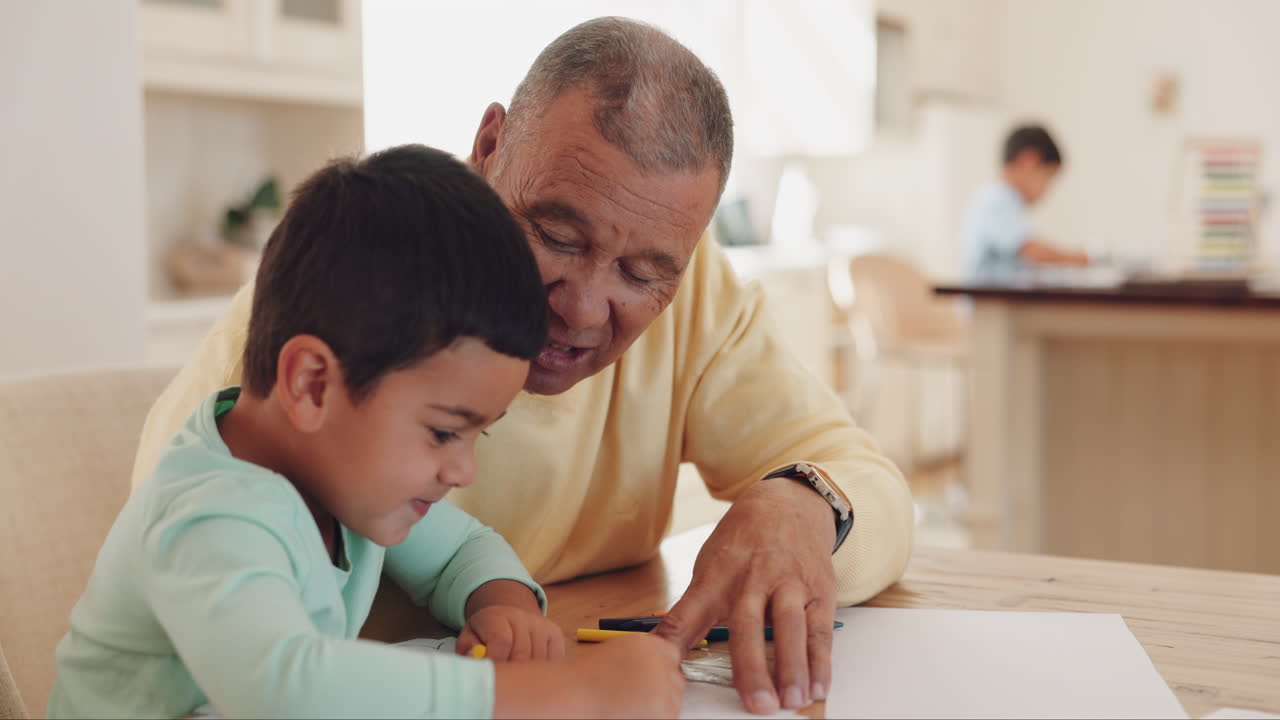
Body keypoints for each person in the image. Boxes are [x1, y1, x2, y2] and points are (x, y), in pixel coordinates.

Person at [130, 17, 915, 715]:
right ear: (489, 148)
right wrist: (563, 695)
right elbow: (249, 666)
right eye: (558, 236)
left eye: (643, 274)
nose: (583, 310)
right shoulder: (352, 296)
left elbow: (868, 481)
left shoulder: (696, 285)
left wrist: (804, 505)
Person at [50, 145, 684, 719]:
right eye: (444, 433)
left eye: (478, 436)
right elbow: (287, 688)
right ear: (312, 385)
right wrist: (570, 694)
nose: (463, 470)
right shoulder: (212, 513)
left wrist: (504, 607)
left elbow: (460, 551)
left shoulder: (339, 477)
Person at [961, 124, 1089, 277]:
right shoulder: (997, 198)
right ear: (1028, 161)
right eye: (1048, 177)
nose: (1047, 190)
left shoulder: (1006, 199)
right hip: (988, 292)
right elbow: (1031, 250)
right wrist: (1078, 258)